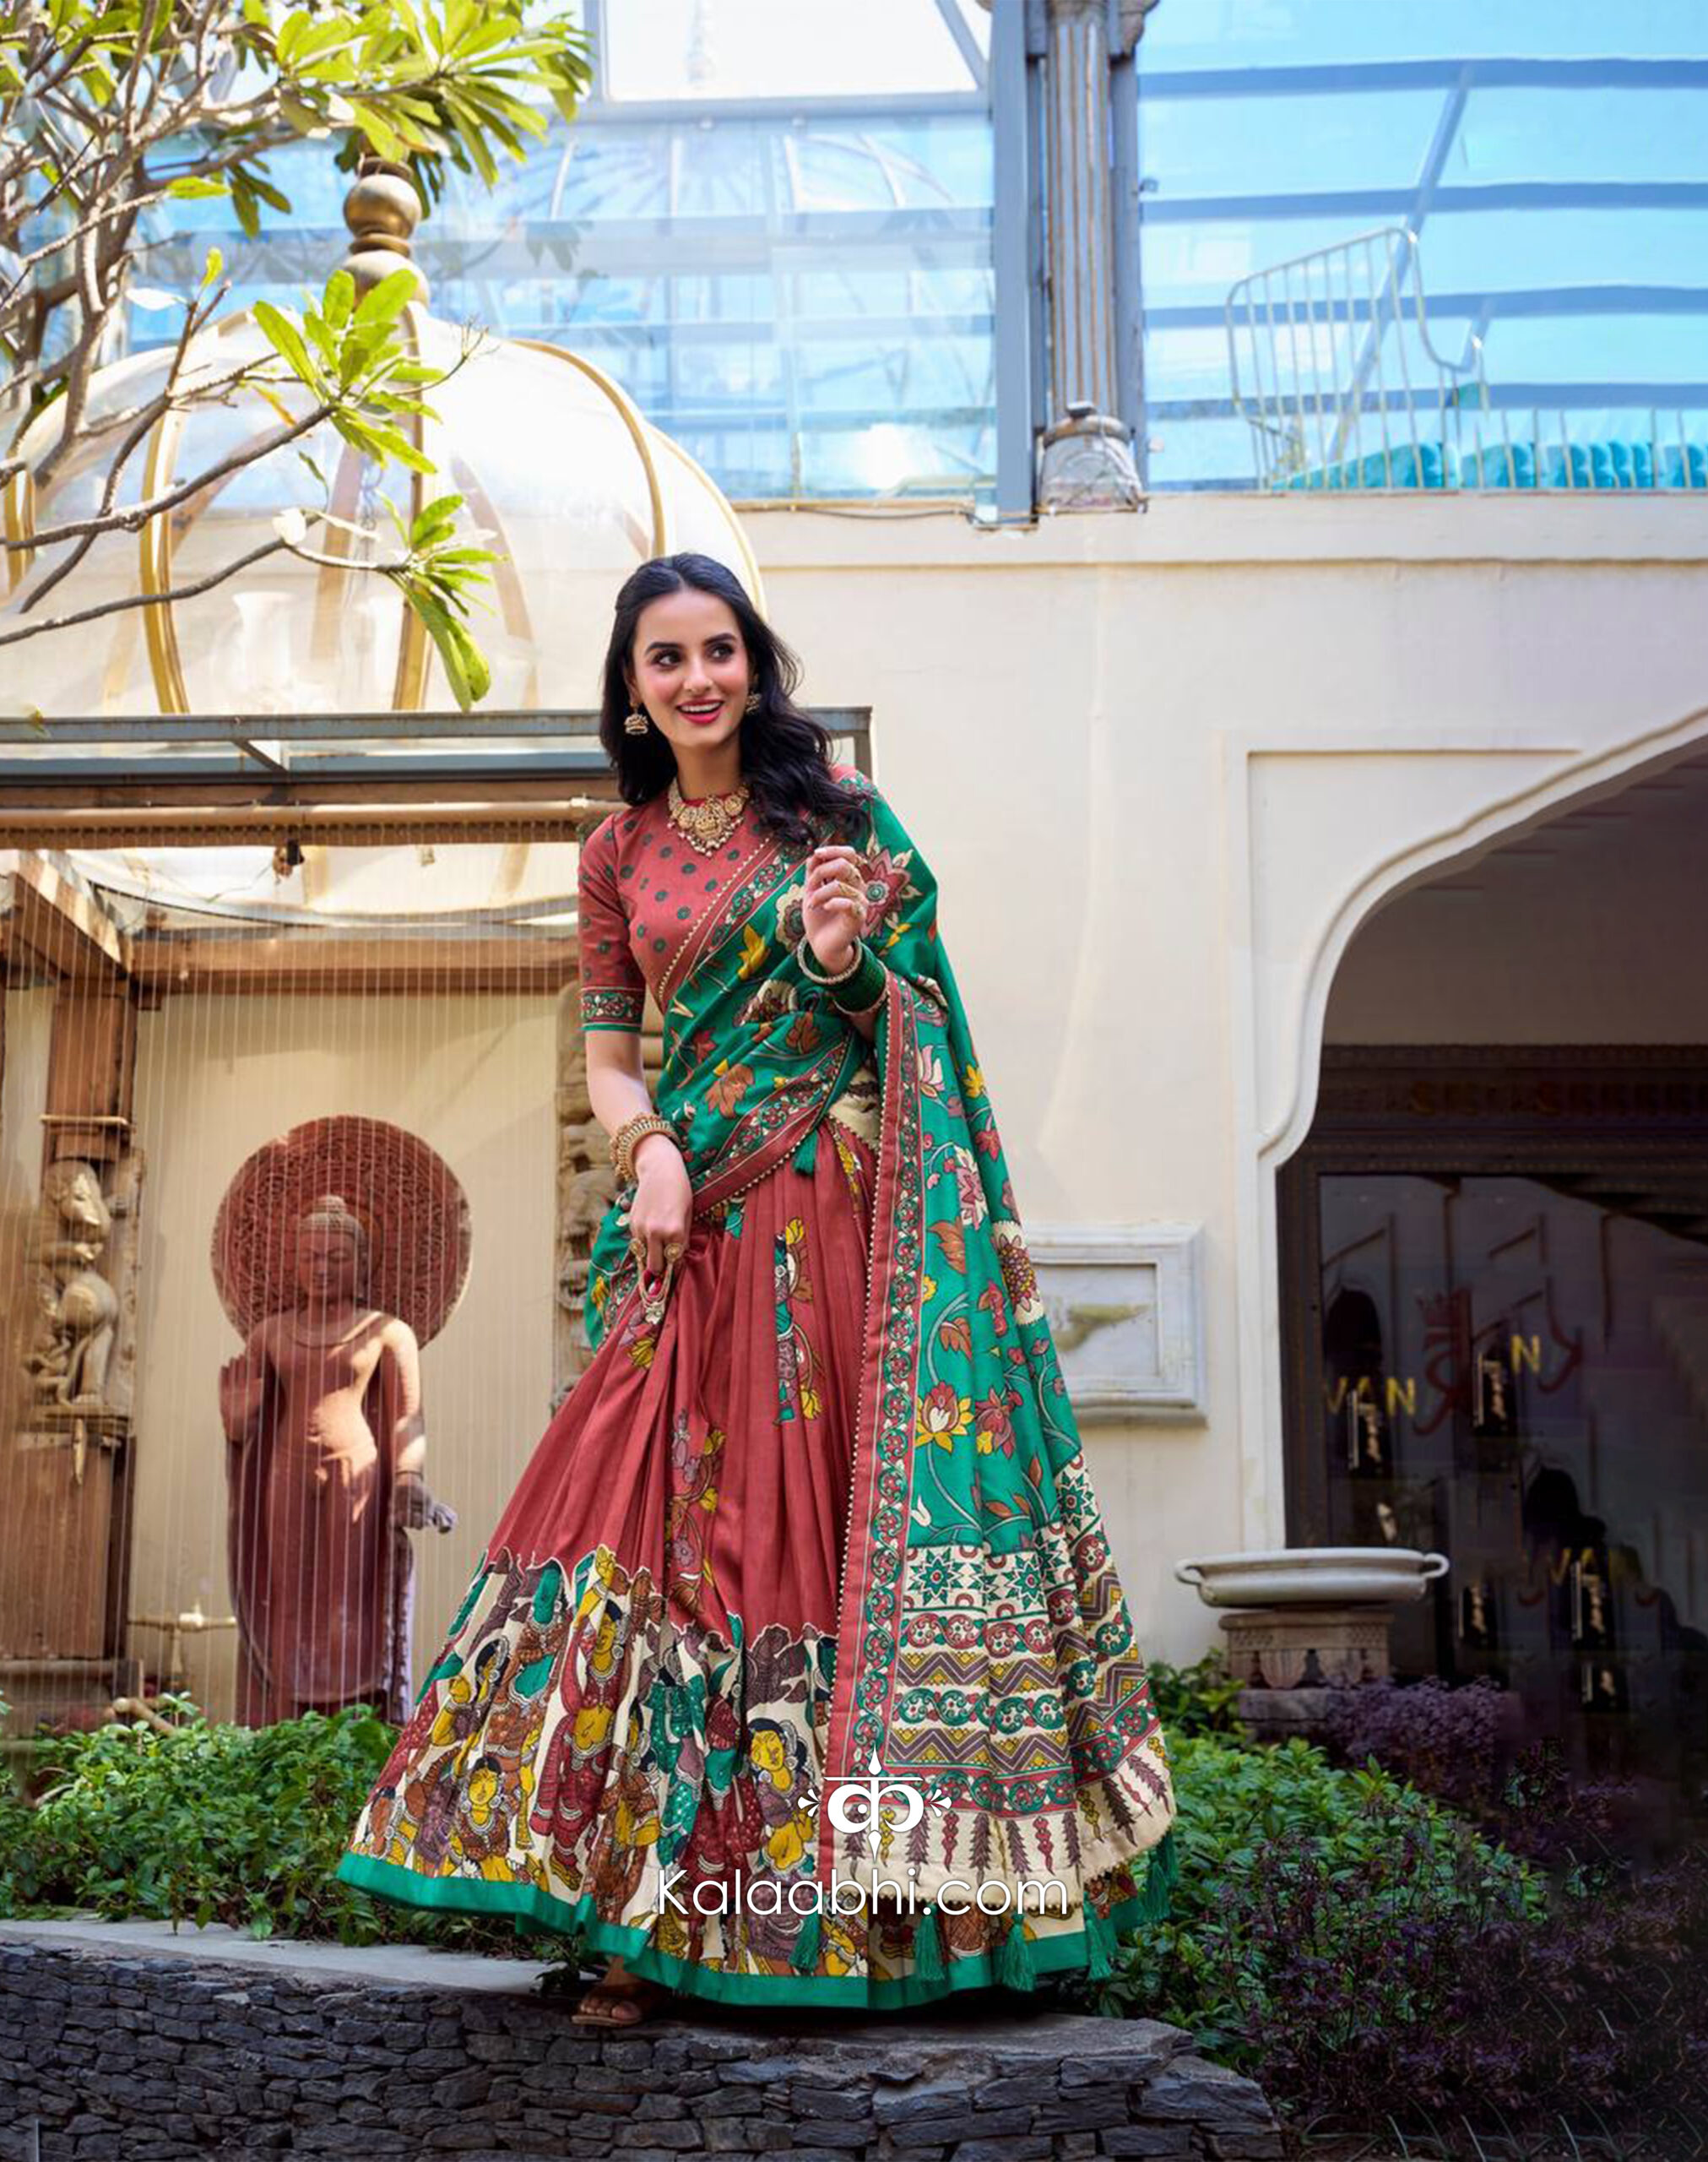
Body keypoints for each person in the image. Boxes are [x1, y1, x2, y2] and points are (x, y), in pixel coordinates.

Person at [333, 552, 1178, 2021]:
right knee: (649, 1539)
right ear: (634, 691)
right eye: (665, 659)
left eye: (718, 649)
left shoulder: (839, 817)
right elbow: (607, 1058)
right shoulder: (613, 855)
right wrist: (651, 1146)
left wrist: (849, 967)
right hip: (692, 1231)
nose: (697, 678)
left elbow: (913, 1014)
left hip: (836, 1229)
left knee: (824, 1545)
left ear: (751, 662)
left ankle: (885, 1928)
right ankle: (645, 1922)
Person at [220, 1196, 456, 1727]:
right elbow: (251, 1415)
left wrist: (409, 1478)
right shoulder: (270, 1334)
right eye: (310, 1257)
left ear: (363, 1264)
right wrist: (239, 1426)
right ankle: (281, 1722)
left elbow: (408, 1417)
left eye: (337, 1256)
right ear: (293, 1263)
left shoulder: (388, 1332)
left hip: (359, 1473)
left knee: (351, 1600)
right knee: (288, 1596)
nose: (322, 1268)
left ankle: (356, 1725)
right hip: (286, 1469)